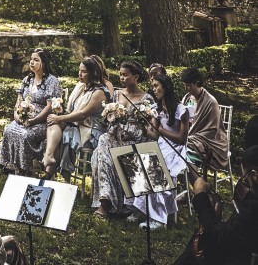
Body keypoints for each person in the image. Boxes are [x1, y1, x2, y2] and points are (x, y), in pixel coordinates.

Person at [173, 145, 258, 265]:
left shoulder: (254, 207)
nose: (244, 184)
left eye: (245, 179)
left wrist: (200, 196)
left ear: (255, 175)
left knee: (201, 249)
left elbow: (220, 235)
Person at [91, 59, 152, 217]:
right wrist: (109, 117)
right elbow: (107, 118)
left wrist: (131, 133)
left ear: (135, 77)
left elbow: (149, 127)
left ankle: (117, 203)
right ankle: (105, 200)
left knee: (101, 151)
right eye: (120, 75)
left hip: (135, 139)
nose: (122, 78)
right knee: (103, 139)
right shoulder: (117, 94)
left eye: (125, 75)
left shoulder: (146, 99)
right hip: (115, 134)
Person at [129, 73, 189, 228]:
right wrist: (144, 126)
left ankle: (158, 218)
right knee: (140, 163)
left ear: (166, 86)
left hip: (176, 148)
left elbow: (182, 138)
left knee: (157, 168)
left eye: (156, 86)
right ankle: (142, 209)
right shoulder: (157, 108)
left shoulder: (181, 109)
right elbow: (155, 134)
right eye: (153, 86)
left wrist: (161, 130)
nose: (154, 89)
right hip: (161, 145)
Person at [43, 57, 107, 180]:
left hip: (90, 128)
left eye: (84, 71)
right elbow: (72, 110)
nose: (79, 74)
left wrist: (60, 118)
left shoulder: (100, 92)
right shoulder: (81, 87)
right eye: (79, 70)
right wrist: (59, 113)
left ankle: (49, 171)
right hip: (76, 123)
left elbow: (83, 114)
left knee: (57, 124)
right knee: (53, 121)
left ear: (93, 73)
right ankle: (49, 157)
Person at [0, 49, 62, 174]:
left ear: (43, 63)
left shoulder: (52, 81)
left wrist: (34, 121)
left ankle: (25, 168)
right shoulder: (27, 79)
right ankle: (11, 165)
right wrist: (17, 116)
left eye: (36, 60)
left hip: (42, 120)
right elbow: (18, 101)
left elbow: (50, 106)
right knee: (8, 130)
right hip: (23, 117)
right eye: (31, 59)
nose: (32, 62)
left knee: (25, 135)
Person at [180, 68, 228, 174]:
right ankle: (187, 183)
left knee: (184, 150)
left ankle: (196, 184)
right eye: (184, 85)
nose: (186, 88)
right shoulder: (187, 98)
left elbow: (213, 130)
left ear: (197, 83)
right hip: (192, 136)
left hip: (211, 142)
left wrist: (191, 136)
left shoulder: (211, 102)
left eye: (188, 85)